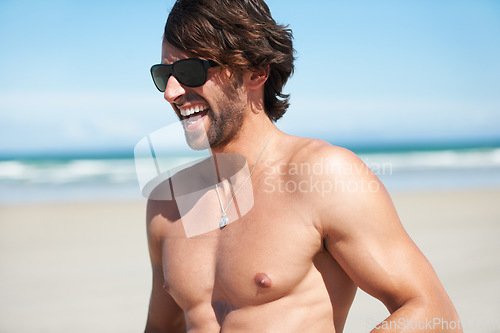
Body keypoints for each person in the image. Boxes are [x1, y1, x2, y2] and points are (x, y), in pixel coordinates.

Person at [143, 0, 462, 332]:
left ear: (255, 71)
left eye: (189, 71)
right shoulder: (166, 203)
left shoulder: (324, 176)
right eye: (164, 74)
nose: (171, 92)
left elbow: (435, 312)